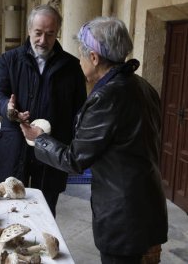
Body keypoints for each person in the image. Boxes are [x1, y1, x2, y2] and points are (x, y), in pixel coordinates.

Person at [20, 17, 168, 263]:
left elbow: (75, 159)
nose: (80, 62)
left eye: (82, 56)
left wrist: (40, 139)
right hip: (148, 205)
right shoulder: (142, 85)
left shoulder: (107, 97)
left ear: (94, 57)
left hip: (124, 216)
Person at [0, 5, 87, 216]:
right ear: (29, 30)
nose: (43, 40)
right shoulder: (9, 60)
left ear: (57, 33)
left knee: (46, 210)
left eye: (50, 34)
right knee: (7, 209)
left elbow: (79, 109)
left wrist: (73, 146)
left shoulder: (72, 66)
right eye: (38, 33)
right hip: (14, 145)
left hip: (51, 149)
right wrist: (8, 108)